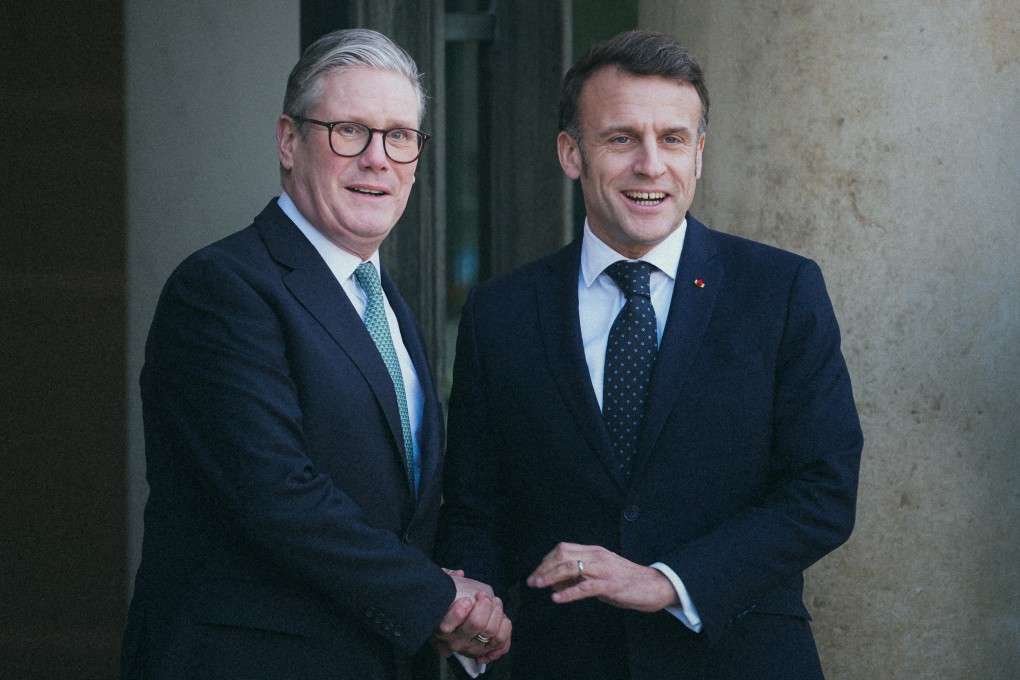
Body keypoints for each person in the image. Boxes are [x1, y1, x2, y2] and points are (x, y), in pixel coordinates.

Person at [436, 30, 863, 680]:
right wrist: (476, 608)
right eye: (621, 138)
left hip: (740, 661)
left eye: (672, 139)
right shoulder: (501, 312)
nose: (650, 164)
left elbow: (822, 491)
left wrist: (668, 581)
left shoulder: (780, 291)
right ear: (571, 153)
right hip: (561, 664)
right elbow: (475, 506)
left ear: (699, 155)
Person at [121, 29, 509, 680]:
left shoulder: (387, 303)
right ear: (289, 141)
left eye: (399, 136)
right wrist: (437, 600)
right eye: (349, 131)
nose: (377, 159)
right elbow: (275, 495)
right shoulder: (222, 289)